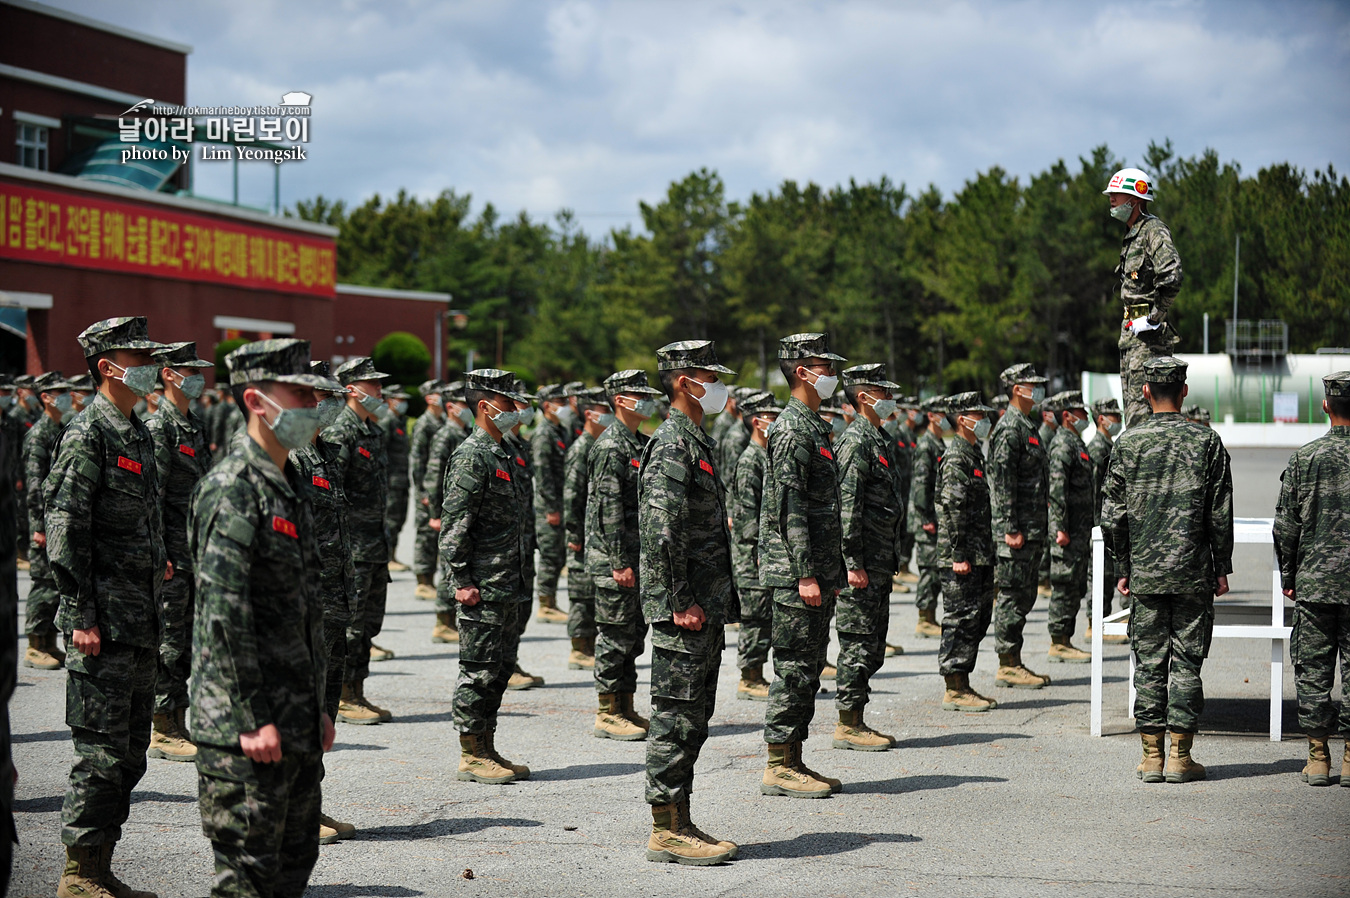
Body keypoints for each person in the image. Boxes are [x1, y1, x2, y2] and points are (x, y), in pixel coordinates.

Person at [190, 338, 336, 897]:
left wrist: (319, 705)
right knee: (248, 878)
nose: (311, 406)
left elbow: (304, 610)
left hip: (294, 718)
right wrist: (252, 717)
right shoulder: (233, 488)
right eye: (299, 394)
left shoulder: (291, 482)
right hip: (244, 728)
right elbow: (224, 616)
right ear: (256, 400)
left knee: (293, 869)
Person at [46, 316, 168, 898]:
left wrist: (160, 559)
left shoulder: (136, 431)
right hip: (102, 622)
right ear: (108, 367)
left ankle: (100, 866)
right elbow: (66, 526)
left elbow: (141, 515)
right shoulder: (87, 432)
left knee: (129, 752)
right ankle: (79, 873)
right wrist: (81, 613)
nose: (149, 366)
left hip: (139, 618)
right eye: (137, 358)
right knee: (97, 752)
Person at [1103, 356, 1232, 784]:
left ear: (1144, 392)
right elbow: (1220, 513)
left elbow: (1113, 514)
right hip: (1192, 572)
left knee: (1150, 662)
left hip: (1145, 574)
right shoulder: (1206, 442)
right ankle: (1181, 754)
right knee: (1187, 663)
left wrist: (1122, 565)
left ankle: (1150, 756)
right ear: (1184, 391)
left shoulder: (1127, 442)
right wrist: (1221, 566)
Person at [640, 339, 738, 865]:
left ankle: (680, 819)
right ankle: (665, 829)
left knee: (694, 716)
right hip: (685, 608)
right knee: (675, 716)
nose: (719, 386)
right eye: (710, 376)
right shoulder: (673, 443)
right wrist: (679, 599)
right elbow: (662, 530)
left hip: (703, 603)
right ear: (684, 381)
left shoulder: (696, 439)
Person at [758, 332, 847, 799]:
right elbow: (788, 507)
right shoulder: (792, 428)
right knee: (793, 668)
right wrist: (805, 573)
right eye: (824, 367)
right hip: (797, 573)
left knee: (808, 667)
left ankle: (793, 757)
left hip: (815, 569)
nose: (832, 375)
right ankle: (778, 763)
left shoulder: (813, 424)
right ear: (801, 372)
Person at [440, 369, 532, 785]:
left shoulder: (505, 452)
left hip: (507, 582)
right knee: (478, 669)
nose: (518, 411)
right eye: (511, 404)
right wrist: (460, 580)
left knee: (499, 667)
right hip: (482, 585)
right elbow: (455, 525)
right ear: (485, 406)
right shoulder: (472, 455)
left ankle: (487, 745)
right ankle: (470, 753)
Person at [291, 361, 360, 841]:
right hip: (305, 604)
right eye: (322, 396)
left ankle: (310, 805)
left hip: (333, 604)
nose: (331, 405)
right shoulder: (290, 458)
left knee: (323, 708)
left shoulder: (327, 455)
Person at [1273, 371, 1350, 788]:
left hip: (1316, 584)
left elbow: (1285, 526)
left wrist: (1289, 575)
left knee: (1313, 669)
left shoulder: (1305, 458)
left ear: (1326, 405)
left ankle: (1318, 757)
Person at [144, 343, 215, 764]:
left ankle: (178, 719)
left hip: (194, 549)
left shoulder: (194, 425)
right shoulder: (159, 428)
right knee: (170, 640)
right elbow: (151, 495)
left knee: (186, 639)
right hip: (172, 551)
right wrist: (161, 551)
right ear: (168, 375)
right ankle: (163, 727)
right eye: (190, 370)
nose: (198, 378)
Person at [832, 364, 906, 750]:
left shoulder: (877, 437)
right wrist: (852, 563)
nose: (890, 400)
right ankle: (848, 723)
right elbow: (848, 508)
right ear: (863, 397)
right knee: (858, 642)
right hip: (862, 564)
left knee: (872, 644)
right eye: (883, 392)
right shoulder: (856, 442)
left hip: (878, 560)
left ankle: (856, 717)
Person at [587, 370, 662, 740]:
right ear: (620, 400)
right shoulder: (610, 446)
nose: (647, 402)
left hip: (636, 558)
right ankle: (607, 711)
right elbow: (608, 508)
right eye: (639, 396)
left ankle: (625, 705)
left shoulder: (638, 442)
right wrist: (618, 561)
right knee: (615, 636)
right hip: (616, 562)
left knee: (633, 637)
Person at [324, 357, 393, 725]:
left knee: (369, 623)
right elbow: (334, 493)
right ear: (351, 389)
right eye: (373, 385)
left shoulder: (372, 430)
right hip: (353, 547)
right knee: (351, 626)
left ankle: (357, 690)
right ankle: (346, 695)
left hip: (374, 545)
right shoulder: (341, 431)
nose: (379, 391)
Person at [989, 363, 1053, 690]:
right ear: (1017, 389)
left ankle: (1014, 660)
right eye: (1033, 384)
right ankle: (1007, 663)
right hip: (1017, 533)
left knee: (1024, 595)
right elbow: (1002, 483)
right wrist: (1010, 527)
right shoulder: (1009, 428)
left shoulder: (1027, 425)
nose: (1039, 390)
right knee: (1013, 597)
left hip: (1031, 529)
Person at [936, 392, 1000, 712]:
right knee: (960, 619)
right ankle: (954, 687)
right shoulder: (957, 457)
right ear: (962, 420)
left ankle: (963, 682)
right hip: (962, 556)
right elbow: (953, 508)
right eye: (979, 415)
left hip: (978, 553)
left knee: (977, 617)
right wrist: (958, 554)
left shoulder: (973, 454)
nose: (985, 420)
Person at [1106, 167, 1184, 429]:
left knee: (1144, 419)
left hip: (1148, 340)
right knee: (1133, 416)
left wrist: (1154, 317)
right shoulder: (1131, 235)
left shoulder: (1153, 230)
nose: (1111, 199)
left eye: (1117, 194)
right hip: (1131, 336)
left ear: (1135, 199)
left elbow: (1172, 275)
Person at [21, 372, 75, 671]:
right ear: (46, 397)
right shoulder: (39, 434)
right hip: (43, 523)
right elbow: (34, 486)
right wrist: (39, 527)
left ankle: (49, 643)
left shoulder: (61, 428)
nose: (66, 396)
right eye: (60, 391)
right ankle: (33, 646)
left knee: (55, 584)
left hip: (57, 522)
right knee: (43, 585)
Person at [730, 391, 781, 701]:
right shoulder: (751, 460)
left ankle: (756, 673)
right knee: (755, 616)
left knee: (764, 616)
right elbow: (747, 516)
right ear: (757, 422)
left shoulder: (767, 455)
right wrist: (758, 553)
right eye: (771, 417)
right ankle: (749, 678)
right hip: (752, 556)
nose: (776, 421)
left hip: (764, 552)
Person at [1045, 391, 1094, 664]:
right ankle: (1059, 641)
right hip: (1068, 530)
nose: (1086, 418)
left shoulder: (1075, 442)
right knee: (1064, 585)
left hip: (1079, 528)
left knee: (1074, 584)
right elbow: (1057, 490)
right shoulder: (1063, 444)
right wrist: (1060, 528)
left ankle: (1065, 639)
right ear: (1067, 416)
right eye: (1081, 413)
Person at [562, 387, 610, 670]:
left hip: (596, 535)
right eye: (605, 412)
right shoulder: (580, 448)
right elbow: (572, 496)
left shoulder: (599, 444)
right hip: (583, 534)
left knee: (593, 591)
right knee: (581, 592)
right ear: (590, 415)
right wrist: (574, 533)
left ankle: (589, 643)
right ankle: (579, 648)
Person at [426, 381, 470, 642]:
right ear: (451, 407)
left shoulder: (462, 431)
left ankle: (449, 620)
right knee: (449, 566)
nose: (468, 410)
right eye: (463, 405)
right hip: (447, 510)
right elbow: (433, 474)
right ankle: (442, 622)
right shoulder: (446, 434)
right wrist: (434, 511)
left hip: (459, 510)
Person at [908, 396, 950, 640]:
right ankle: (924, 618)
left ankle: (929, 616)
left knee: (934, 568)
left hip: (934, 516)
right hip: (927, 519)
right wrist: (926, 516)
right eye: (941, 413)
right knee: (929, 569)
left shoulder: (937, 443)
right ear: (932, 416)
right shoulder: (927, 446)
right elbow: (922, 485)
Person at [1086, 397, 1127, 641]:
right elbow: (1094, 492)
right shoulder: (1097, 448)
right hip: (1100, 523)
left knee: (1109, 574)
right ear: (1101, 419)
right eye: (1113, 416)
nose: (1118, 420)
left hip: (1109, 523)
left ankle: (1105, 621)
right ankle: (1095, 625)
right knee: (1099, 576)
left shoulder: (1108, 446)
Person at [531, 385, 572, 624]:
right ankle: (545, 605)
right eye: (560, 402)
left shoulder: (559, 430)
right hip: (551, 506)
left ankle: (551, 602)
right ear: (547, 405)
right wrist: (550, 508)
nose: (565, 406)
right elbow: (543, 473)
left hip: (560, 502)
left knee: (557, 554)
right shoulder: (543, 434)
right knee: (550, 554)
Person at [409, 380, 445, 601]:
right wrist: (423, 492)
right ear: (429, 398)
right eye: (438, 393)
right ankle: (423, 581)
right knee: (425, 535)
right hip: (427, 491)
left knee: (436, 537)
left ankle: (431, 578)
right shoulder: (424, 424)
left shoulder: (440, 421)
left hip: (438, 489)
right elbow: (418, 462)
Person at [382, 384, 412, 573]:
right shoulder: (387, 422)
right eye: (399, 400)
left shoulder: (400, 421)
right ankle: (386, 557)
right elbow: (381, 452)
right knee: (391, 520)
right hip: (391, 481)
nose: (403, 403)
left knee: (399, 519)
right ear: (390, 401)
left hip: (401, 480)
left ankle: (392, 555)